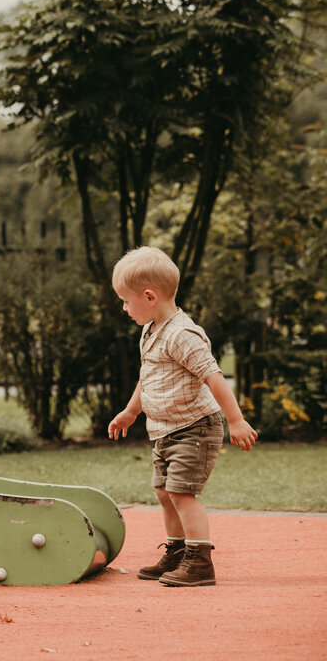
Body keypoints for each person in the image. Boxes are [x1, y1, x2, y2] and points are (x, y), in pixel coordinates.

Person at [107, 246, 257, 586]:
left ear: (149, 296)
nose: (124, 307)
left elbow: (213, 376)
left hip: (195, 428)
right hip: (165, 430)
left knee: (181, 493)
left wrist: (236, 420)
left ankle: (200, 561)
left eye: (126, 301)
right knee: (164, 491)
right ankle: (176, 551)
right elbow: (148, 377)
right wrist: (132, 411)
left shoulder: (182, 334)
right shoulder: (150, 330)